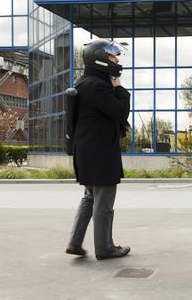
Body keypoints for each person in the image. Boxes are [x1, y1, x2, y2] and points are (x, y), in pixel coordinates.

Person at [65, 39, 131, 260]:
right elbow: (120, 112)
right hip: (100, 154)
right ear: (101, 59)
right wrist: (120, 87)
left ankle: (75, 243)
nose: (117, 60)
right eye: (113, 56)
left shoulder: (85, 82)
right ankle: (105, 248)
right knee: (104, 204)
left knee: (89, 198)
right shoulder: (98, 86)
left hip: (88, 152)